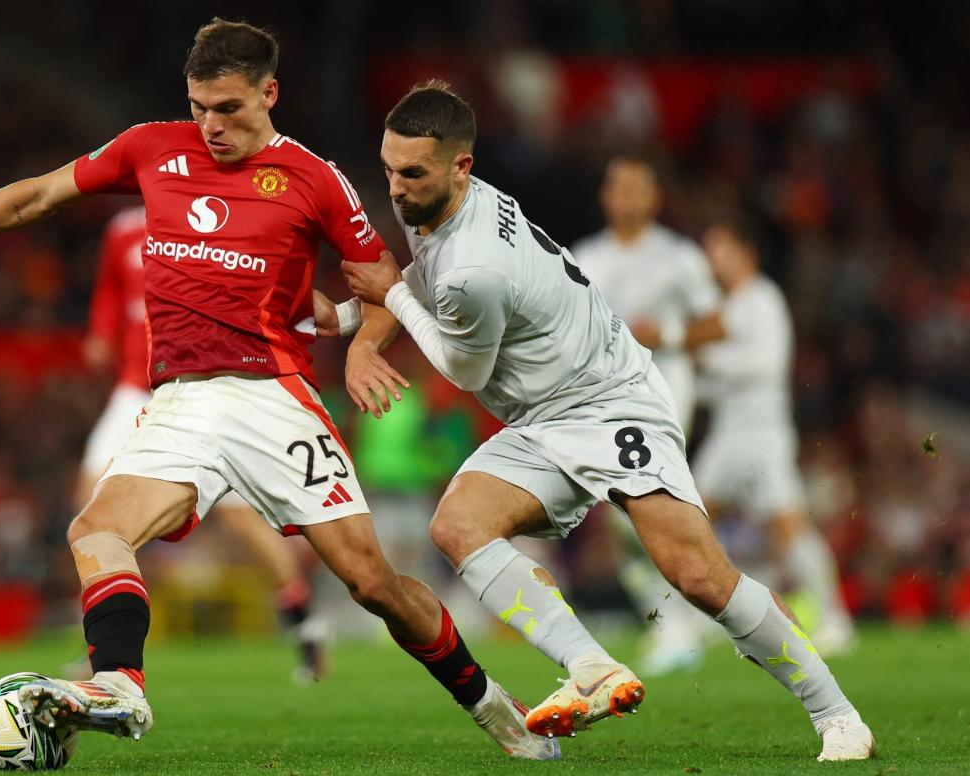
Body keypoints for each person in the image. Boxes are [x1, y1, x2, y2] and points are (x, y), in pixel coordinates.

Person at [0, 20, 556, 761]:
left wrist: (360, 349)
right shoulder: (150, 147)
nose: (211, 124)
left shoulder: (315, 179)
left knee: (371, 583)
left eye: (228, 107)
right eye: (199, 106)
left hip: (274, 398)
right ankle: (120, 684)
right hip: (181, 400)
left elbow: (382, 284)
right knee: (95, 531)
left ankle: (491, 705)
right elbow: (37, 196)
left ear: (269, 93)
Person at [339, 80, 874, 761]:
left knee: (698, 575)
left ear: (460, 166)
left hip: (608, 400)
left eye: (411, 173)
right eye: (387, 169)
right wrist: (352, 321)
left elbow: (461, 369)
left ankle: (837, 715)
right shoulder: (451, 212)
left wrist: (386, 297)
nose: (395, 187)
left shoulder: (474, 267)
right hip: (545, 414)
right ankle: (593, 667)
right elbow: (414, 284)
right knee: (459, 525)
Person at [77, 205, 327, 684]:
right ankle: (103, 640)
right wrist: (101, 334)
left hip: (199, 387)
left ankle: (305, 626)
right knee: (90, 504)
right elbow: (111, 292)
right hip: (136, 385)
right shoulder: (122, 229)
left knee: (243, 521)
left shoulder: (211, 220)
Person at [573, 158, 722, 674]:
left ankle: (682, 624)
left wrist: (669, 336)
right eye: (619, 187)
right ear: (606, 197)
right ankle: (675, 621)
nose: (628, 197)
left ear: (655, 198)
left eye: (638, 187)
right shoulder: (585, 257)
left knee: (647, 501)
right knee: (620, 520)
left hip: (665, 384)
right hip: (604, 394)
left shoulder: (680, 257)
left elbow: (714, 324)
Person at [689, 219, 856, 654]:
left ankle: (835, 619)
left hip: (763, 434)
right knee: (691, 519)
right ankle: (707, 616)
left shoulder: (763, 299)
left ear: (745, 253)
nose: (711, 258)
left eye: (718, 248)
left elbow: (767, 365)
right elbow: (723, 380)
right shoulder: (728, 306)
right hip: (729, 433)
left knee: (789, 527)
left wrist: (708, 360)